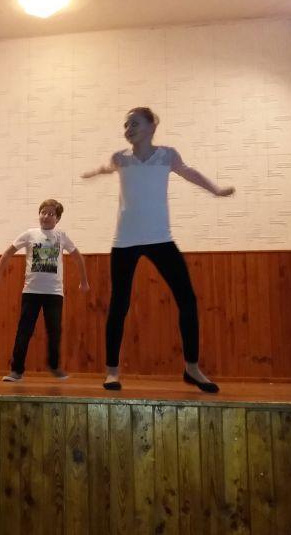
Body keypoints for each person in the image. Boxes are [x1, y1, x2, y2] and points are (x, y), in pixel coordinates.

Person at [82, 107, 235, 392]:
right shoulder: (120, 158)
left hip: (160, 239)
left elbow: (189, 173)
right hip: (125, 241)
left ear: (152, 126)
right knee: (119, 304)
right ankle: (112, 372)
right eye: (126, 125)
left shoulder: (167, 155)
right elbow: (107, 167)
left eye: (135, 123)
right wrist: (95, 171)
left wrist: (215, 190)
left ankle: (192, 368)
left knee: (187, 299)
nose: (128, 129)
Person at [0, 199, 89, 381]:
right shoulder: (30, 234)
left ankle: (54, 366)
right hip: (31, 291)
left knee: (54, 331)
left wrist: (84, 281)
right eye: (43, 212)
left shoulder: (61, 236)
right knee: (24, 331)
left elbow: (78, 257)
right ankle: (16, 370)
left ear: (57, 219)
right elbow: (8, 253)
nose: (46, 216)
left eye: (51, 214)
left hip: (54, 293)